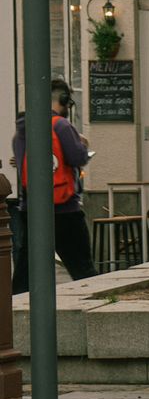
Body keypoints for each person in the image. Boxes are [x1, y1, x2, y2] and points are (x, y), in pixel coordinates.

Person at [11, 80, 96, 292]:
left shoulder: (22, 130)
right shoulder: (61, 126)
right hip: (65, 209)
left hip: (31, 209)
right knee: (82, 268)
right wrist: (83, 144)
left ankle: (14, 315)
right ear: (63, 100)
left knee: (26, 270)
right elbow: (78, 157)